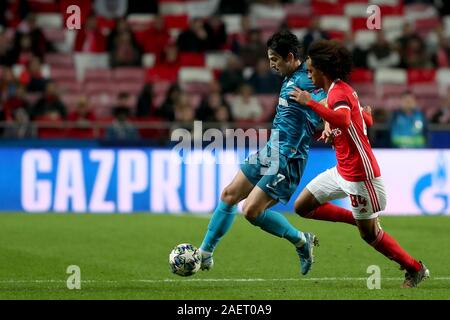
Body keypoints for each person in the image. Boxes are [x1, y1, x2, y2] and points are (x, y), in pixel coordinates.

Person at [289, 39, 429, 288]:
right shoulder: (337, 90)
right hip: (341, 170)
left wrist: (309, 102)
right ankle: (356, 217)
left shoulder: (339, 92)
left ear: (322, 70)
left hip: (361, 177)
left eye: (311, 70)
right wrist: (337, 129)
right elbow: (358, 120)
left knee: (369, 234)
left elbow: (344, 118)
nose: (308, 75)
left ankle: (414, 268)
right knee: (302, 206)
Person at [198, 30, 326, 275]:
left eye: (275, 59)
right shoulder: (289, 78)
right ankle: (205, 253)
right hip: (271, 149)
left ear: (289, 57)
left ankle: (301, 240)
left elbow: (327, 100)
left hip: (289, 156)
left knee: (251, 211)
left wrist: (326, 118)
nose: (271, 65)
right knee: (229, 194)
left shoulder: (307, 79)